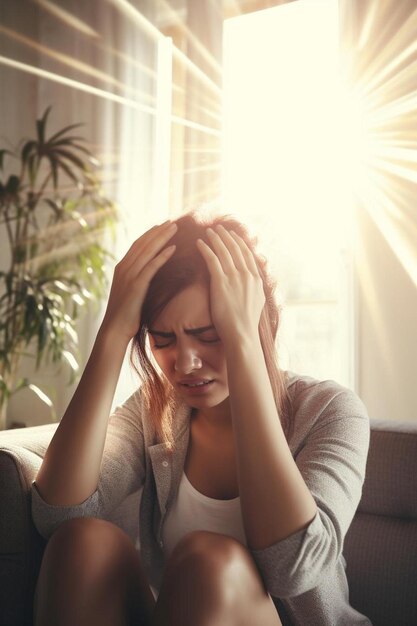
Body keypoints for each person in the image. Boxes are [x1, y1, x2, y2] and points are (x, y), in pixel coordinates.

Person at [31, 212, 372, 626]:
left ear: (255, 321)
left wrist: (245, 341)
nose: (186, 363)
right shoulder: (155, 410)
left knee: (209, 562)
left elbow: (294, 569)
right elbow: (59, 516)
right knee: (80, 542)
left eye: (210, 335)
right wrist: (113, 332)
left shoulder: (330, 411)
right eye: (164, 339)